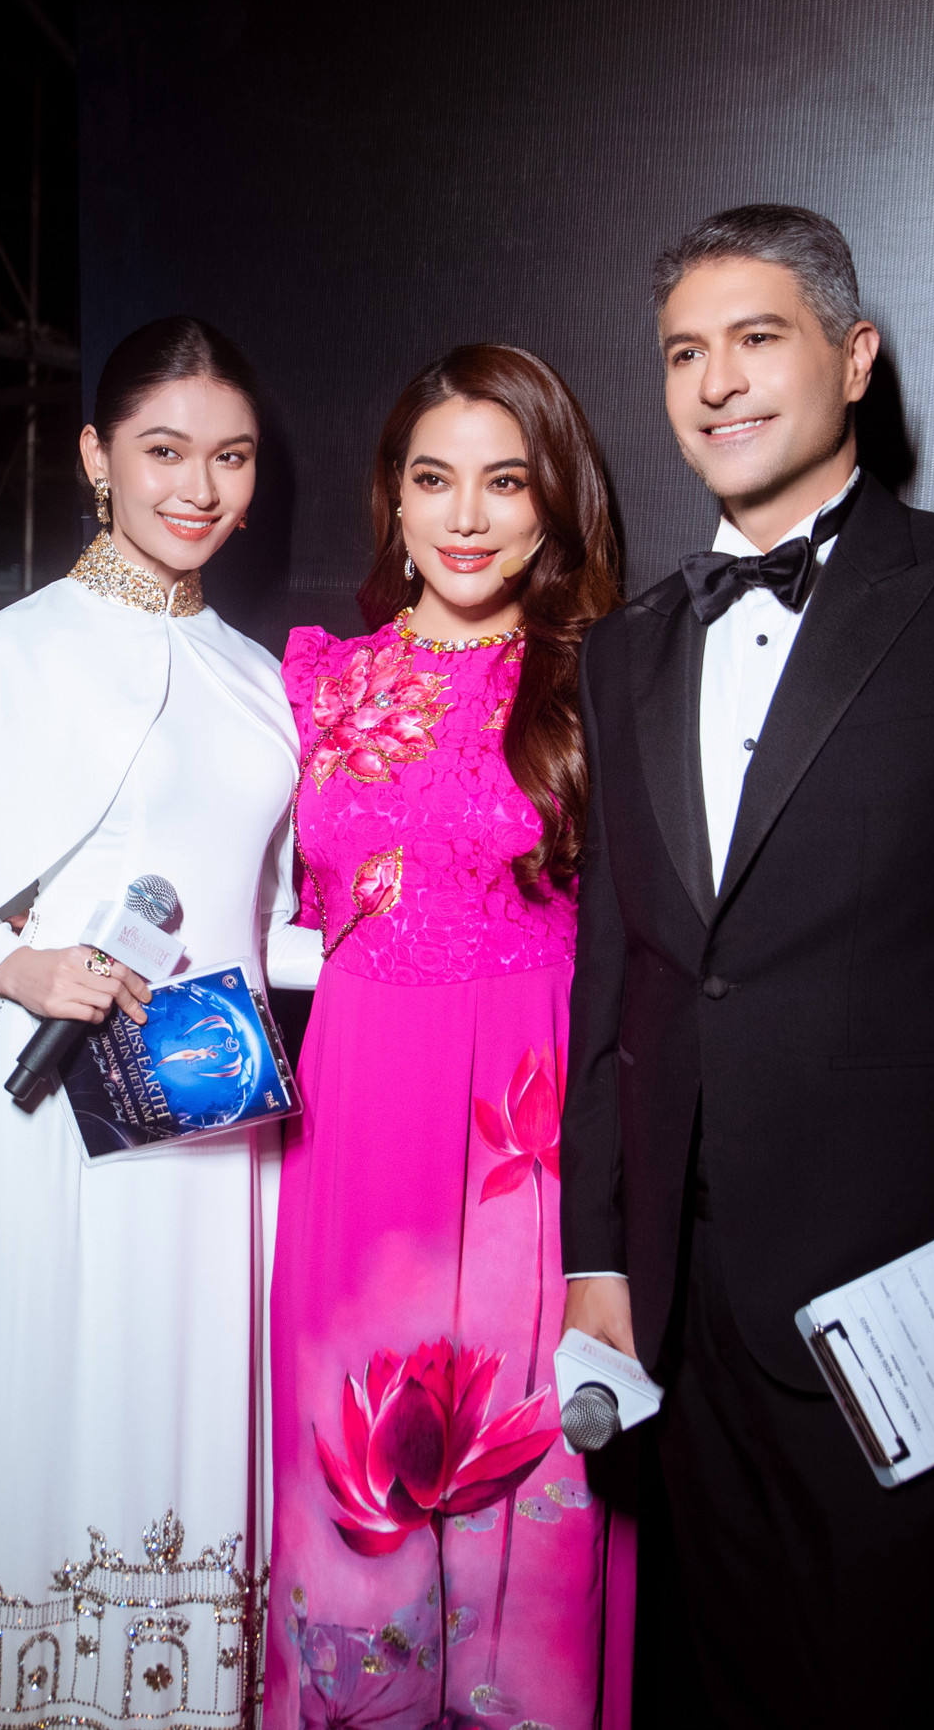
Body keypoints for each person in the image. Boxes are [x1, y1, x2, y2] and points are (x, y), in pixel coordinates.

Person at [559, 205, 934, 1725]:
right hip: (685, 1323)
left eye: (756, 339)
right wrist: (598, 1260)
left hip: (924, 1321)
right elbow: (619, 983)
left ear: (853, 357)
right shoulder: (625, 647)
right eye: (683, 353)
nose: (715, 382)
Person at [0, 317, 322, 1730]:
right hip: (50, 1118)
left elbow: (271, 924)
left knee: (188, 1419)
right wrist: (19, 963)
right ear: (98, 458)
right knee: (53, 1416)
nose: (200, 488)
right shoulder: (20, 652)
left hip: (212, 1125)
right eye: (165, 451)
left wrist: (423, 946)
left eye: (230, 457)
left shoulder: (260, 678)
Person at [264, 344, 631, 1730]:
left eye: (505, 481)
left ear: (553, 503)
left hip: (530, 1142)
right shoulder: (319, 683)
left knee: (528, 1488)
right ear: (394, 497)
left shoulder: (607, 681)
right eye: (434, 479)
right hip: (356, 1130)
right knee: (355, 1479)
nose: (465, 517)